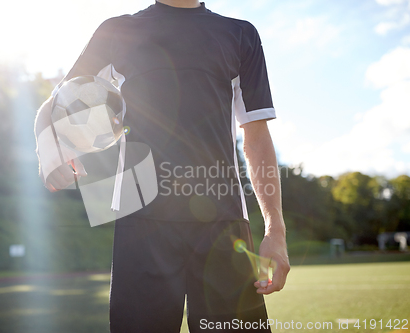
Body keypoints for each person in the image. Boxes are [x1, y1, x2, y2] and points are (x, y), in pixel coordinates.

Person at [34, 0, 290, 332]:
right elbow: (59, 102)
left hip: (224, 224)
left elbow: (256, 136)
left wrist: (275, 230)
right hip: (139, 218)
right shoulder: (116, 30)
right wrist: (51, 151)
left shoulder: (240, 34)